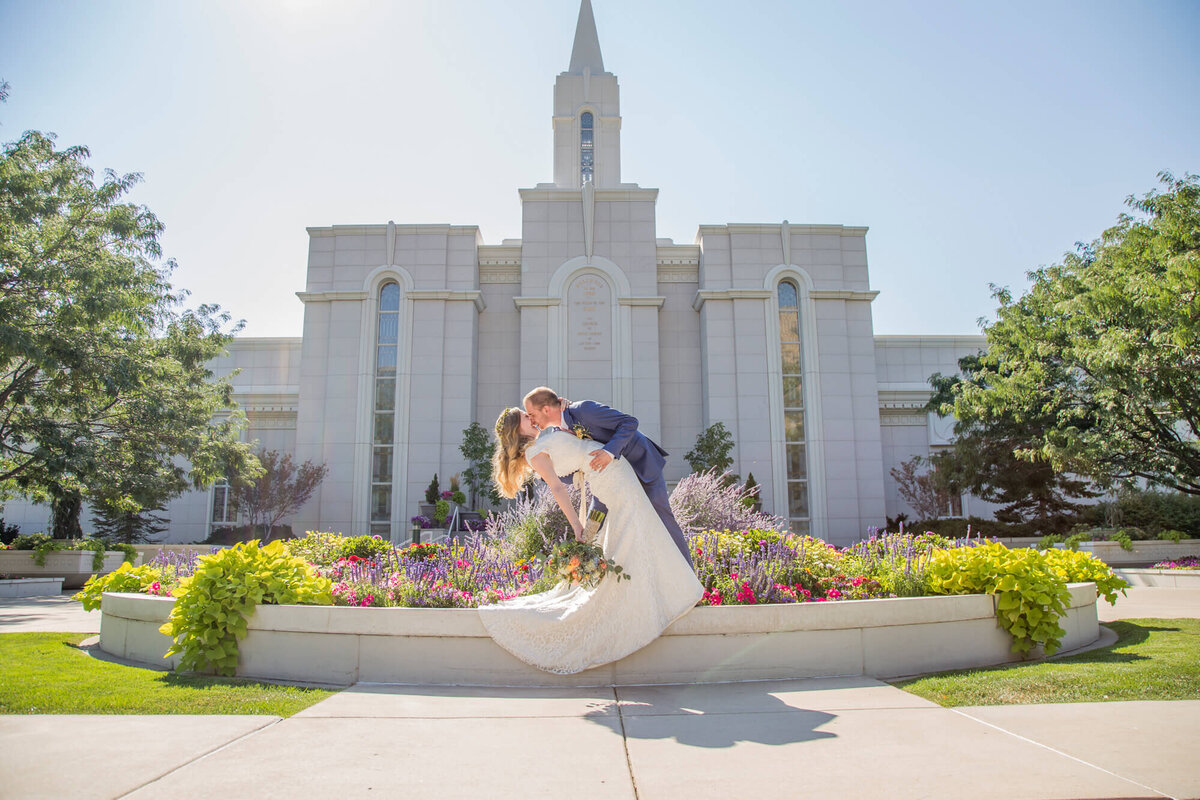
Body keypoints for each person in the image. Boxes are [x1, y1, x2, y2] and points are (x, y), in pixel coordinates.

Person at [478, 407, 704, 675]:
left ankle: (663, 591)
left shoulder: (547, 437)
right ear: (518, 430)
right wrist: (577, 526)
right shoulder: (533, 453)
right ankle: (662, 595)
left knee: (636, 533)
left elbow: (577, 461)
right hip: (611, 478)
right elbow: (558, 488)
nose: (532, 417)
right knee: (633, 534)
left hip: (613, 473)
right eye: (526, 418)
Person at [522, 386, 693, 567]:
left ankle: (690, 578)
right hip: (609, 481)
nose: (531, 420)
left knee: (662, 517)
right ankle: (589, 579)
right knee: (591, 529)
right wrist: (541, 470)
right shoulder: (558, 435)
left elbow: (629, 422)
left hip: (640, 465)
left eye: (531, 414)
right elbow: (570, 472)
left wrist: (608, 452)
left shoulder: (583, 410)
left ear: (546, 409)